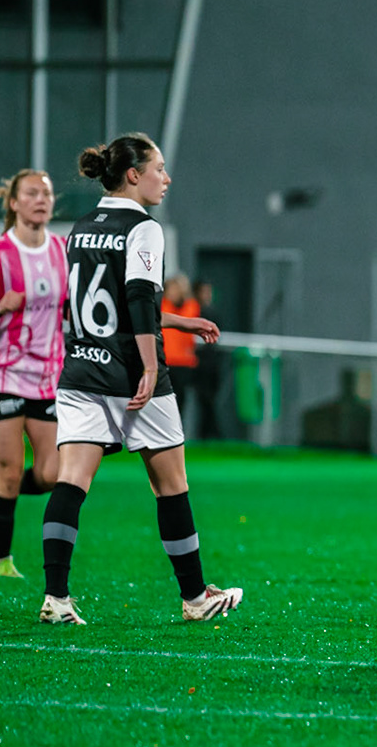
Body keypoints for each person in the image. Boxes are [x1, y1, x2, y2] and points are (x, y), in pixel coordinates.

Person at [35, 132, 237, 625]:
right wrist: (149, 366)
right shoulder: (143, 227)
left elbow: (105, 303)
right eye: (158, 169)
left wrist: (180, 321)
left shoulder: (81, 227)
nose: (165, 179)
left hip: (82, 369)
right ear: (133, 174)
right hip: (131, 375)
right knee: (171, 486)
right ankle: (195, 598)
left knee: (71, 482)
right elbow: (139, 298)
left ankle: (55, 598)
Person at [0, 168, 68, 579]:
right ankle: (2, 562)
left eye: (46, 194)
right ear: (15, 203)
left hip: (47, 376)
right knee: (8, 472)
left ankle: (3, 486)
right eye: (32, 193)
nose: (41, 200)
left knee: (53, 474)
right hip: (0, 373)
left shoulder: (63, 251)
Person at [163, 273, 203, 432]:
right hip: (165, 360)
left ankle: (176, 431)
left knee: (180, 400)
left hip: (184, 361)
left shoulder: (191, 306)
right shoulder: (162, 305)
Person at [189, 280, 228, 440]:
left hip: (212, 364)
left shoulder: (213, 313)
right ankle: (211, 434)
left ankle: (209, 434)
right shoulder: (193, 311)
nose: (208, 295)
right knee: (204, 400)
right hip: (198, 364)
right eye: (204, 291)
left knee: (210, 400)